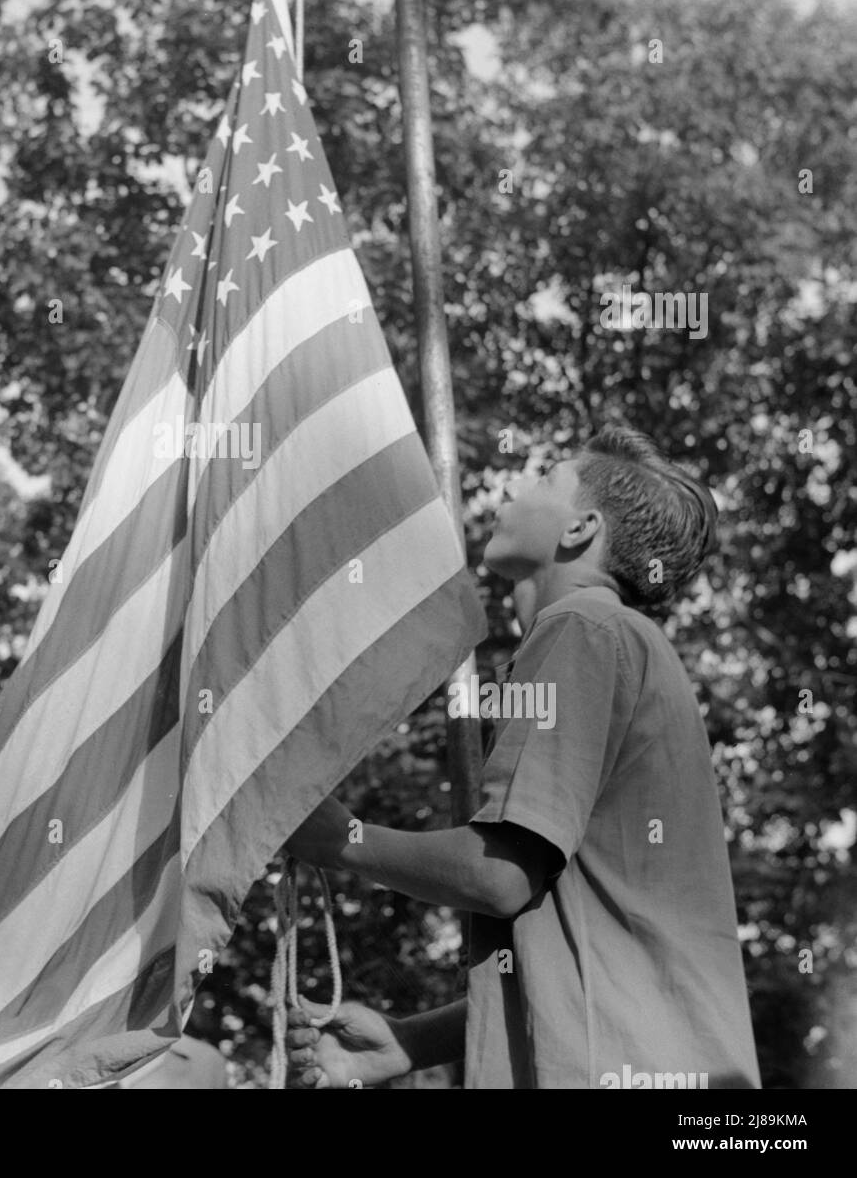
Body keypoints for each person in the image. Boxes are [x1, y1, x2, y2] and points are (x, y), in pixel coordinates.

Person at [284, 426, 760, 1089]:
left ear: (580, 528)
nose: (514, 488)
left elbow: (499, 876)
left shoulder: (583, 628)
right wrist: (408, 1042)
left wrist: (342, 839)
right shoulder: (613, 638)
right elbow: (565, 949)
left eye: (545, 478)